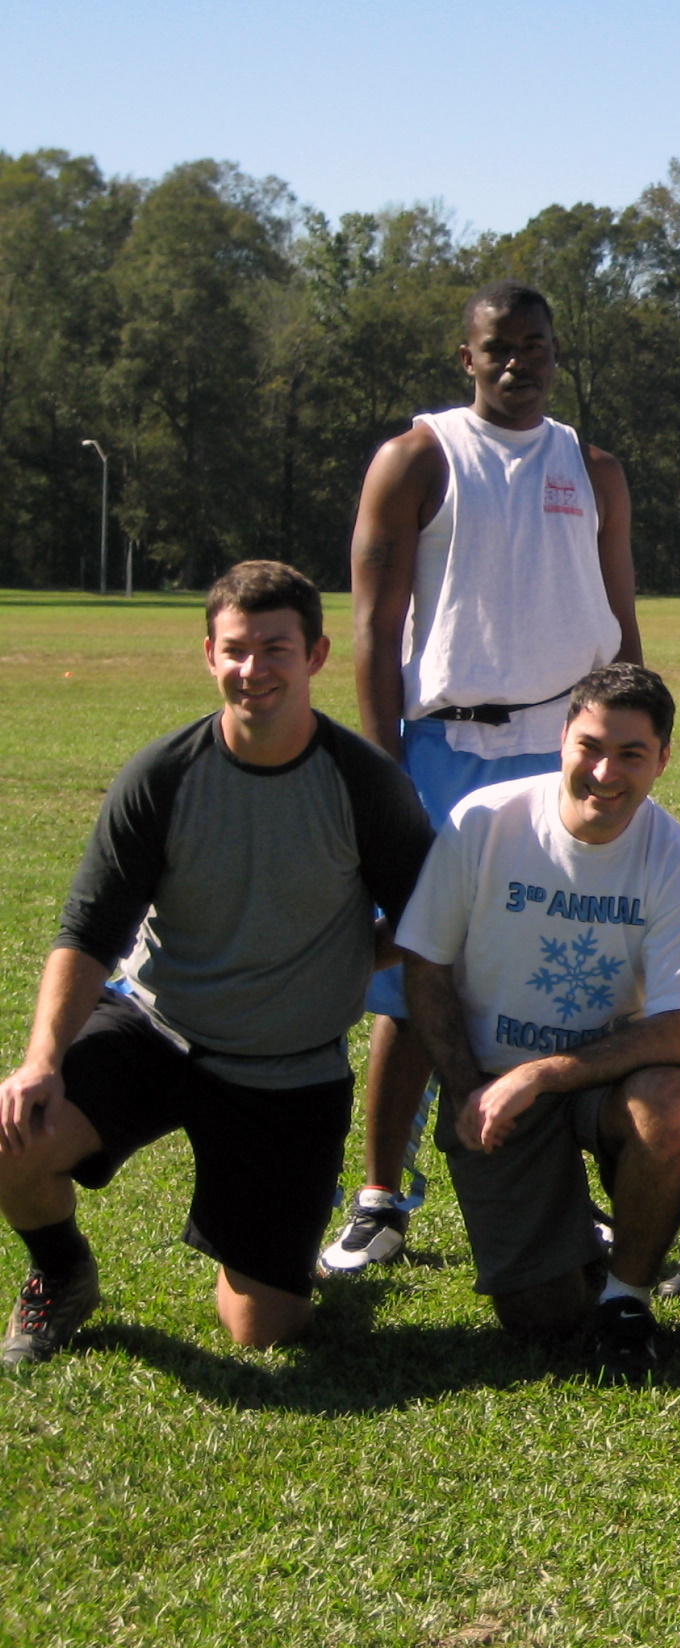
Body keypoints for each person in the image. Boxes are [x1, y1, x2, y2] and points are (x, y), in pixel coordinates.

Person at [1, 563, 431, 1364]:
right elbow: (87, 932)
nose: (252, 669)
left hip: (287, 1069)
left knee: (264, 1330)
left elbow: (424, 923)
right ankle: (60, 1272)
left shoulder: (365, 784)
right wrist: (41, 1061)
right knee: (13, 1136)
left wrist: (337, 963)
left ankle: (272, 1263)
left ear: (316, 655)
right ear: (209, 655)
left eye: (276, 649)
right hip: (155, 1029)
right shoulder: (164, 775)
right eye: (235, 649)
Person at [326, 279, 641, 1277]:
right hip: (445, 750)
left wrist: (633, 743)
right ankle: (381, 1199)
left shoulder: (593, 468)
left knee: (565, 977)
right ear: (466, 358)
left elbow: (621, 623)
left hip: (568, 751)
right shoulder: (419, 457)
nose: (517, 363)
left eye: (534, 346)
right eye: (498, 347)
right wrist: (386, 775)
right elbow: (374, 627)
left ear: (556, 353)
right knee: (414, 975)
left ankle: (563, 1201)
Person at [391, 665, 680, 1381]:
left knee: (670, 1097)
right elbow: (425, 965)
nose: (605, 773)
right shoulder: (486, 821)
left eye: (631, 754)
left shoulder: (672, 857)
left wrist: (540, 1076)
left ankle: (627, 1298)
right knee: (542, 1319)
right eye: (590, 747)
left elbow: (676, 1033)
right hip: (493, 1082)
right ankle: (578, 1242)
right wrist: (465, 1089)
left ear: (664, 760)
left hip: (604, 1082)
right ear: (562, 737)